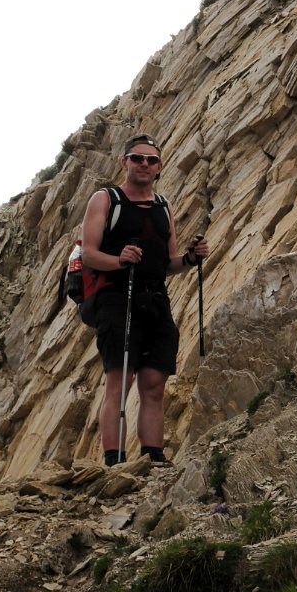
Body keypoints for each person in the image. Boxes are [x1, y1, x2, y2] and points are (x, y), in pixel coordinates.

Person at [81, 133, 209, 466]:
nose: (144, 164)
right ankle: (114, 461)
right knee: (119, 382)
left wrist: (191, 259)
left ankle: (153, 457)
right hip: (115, 298)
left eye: (151, 160)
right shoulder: (105, 200)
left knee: (154, 383)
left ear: (159, 167)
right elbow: (89, 254)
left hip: (155, 299)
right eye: (137, 158)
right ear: (124, 162)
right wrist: (119, 260)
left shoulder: (163, 205)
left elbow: (168, 263)